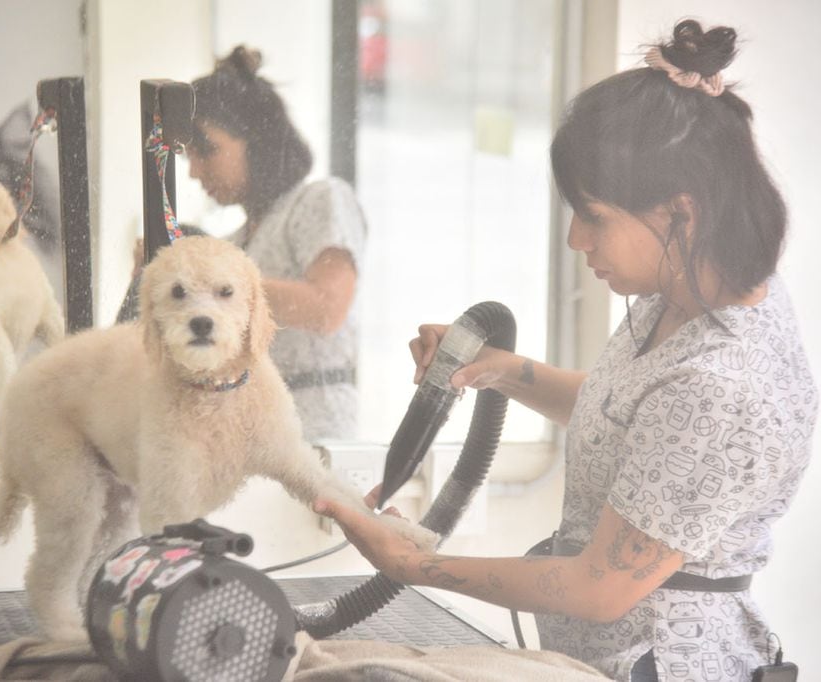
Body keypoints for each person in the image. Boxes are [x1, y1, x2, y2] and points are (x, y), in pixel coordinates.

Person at [313, 19, 816, 682]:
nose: (577, 241)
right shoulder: (684, 292)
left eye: (594, 216)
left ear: (680, 215)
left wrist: (409, 565)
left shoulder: (724, 382)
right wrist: (505, 373)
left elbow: (598, 586)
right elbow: (638, 422)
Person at [183, 45, 368, 443]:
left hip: (315, 439)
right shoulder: (234, 245)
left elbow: (327, 308)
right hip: (246, 438)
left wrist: (206, 280)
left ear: (257, 141)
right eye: (189, 158)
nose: (195, 172)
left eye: (207, 152)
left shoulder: (321, 199)